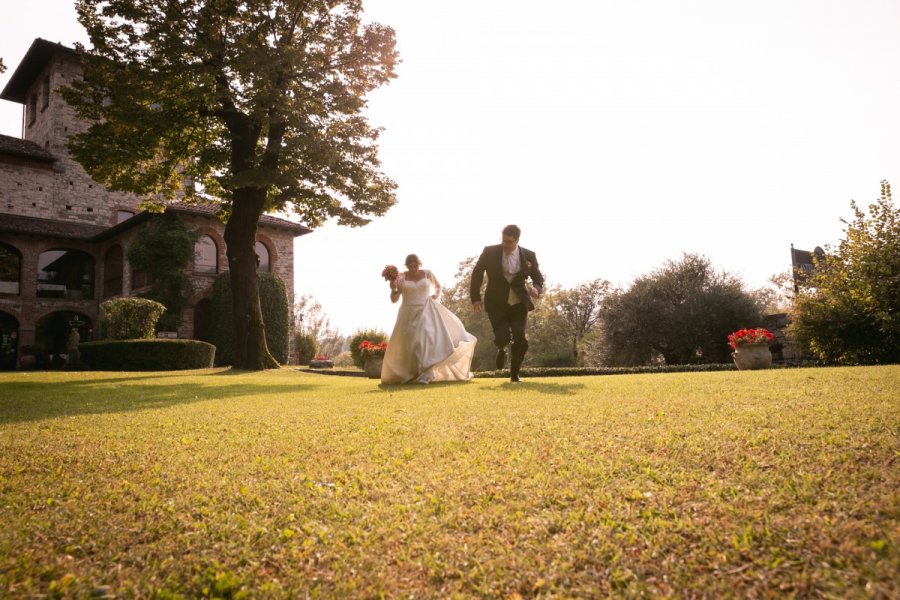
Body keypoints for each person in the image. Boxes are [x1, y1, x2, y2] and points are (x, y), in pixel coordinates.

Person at [381, 254, 477, 384]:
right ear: (406, 265)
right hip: (407, 312)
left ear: (419, 263)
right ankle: (414, 372)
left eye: (415, 264)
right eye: (410, 265)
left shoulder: (427, 274)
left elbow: (438, 286)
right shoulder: (401, 277)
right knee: (411, 344)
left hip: (426, 309)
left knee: (424, 339)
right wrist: (393, 288)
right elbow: (394, 299)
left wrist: (435, 295)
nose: (412, 267)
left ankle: (427, 373)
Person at [470, 224, 544, 383]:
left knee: (520, 338)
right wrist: (476, 298)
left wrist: (536, 289)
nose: (505, 244)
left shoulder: (529, 255)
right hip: (496, 302)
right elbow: (477, 274)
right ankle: (501, 347)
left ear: (517, 240)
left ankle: (515, 375)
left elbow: (538, 278)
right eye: (503, 241)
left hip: (519, 302)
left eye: (509, 242)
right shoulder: (489, 252)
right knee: (502, 336)